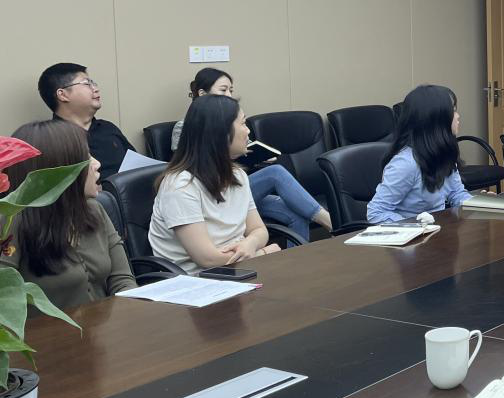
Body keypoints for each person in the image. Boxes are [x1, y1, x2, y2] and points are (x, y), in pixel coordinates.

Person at [172, 68, 331, 242]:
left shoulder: (234, 127)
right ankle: (332, 223)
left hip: (237, 185)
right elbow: (193, 159)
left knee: (296, 214)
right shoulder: (185, 128)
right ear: (202, 94)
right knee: (275, 173)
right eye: (223, 90)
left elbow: (241, 151)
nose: (229, 95)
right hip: (213, 189)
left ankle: (298, 256)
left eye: (231, 90)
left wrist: (256, 156)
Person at [1, 119, 136, 309]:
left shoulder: (94, 210)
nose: (97, 164)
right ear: (56, 171)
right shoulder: (10, 222)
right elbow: (5, 305)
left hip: (107, 325)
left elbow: (122, 281)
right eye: (85, 157)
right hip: (47, 329)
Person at [149, 94, 281, 274]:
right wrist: (262, 253)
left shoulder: (238, 175)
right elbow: (207, 259)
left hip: (239, 270)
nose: (248, 131)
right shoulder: (180, 186)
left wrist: (250, 243)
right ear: (221, 133)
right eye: (243, 123)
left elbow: (259, 230)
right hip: (198, 281)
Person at [367, 85, 471, 223]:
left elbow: (456, 193)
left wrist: (483, 205)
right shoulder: (406, 164)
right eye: (453, 111)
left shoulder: (443, 154)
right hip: (412, 234)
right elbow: (376, 213)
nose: (458, 116)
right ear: (436, 119)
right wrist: (417, 225)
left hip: (438, 231)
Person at [38, 62, 134, 180]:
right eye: (87, 84)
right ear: (63, 95)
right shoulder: (49, 141)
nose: (96, 89)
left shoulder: (108, 128)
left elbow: (140, 168)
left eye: (93, 83)